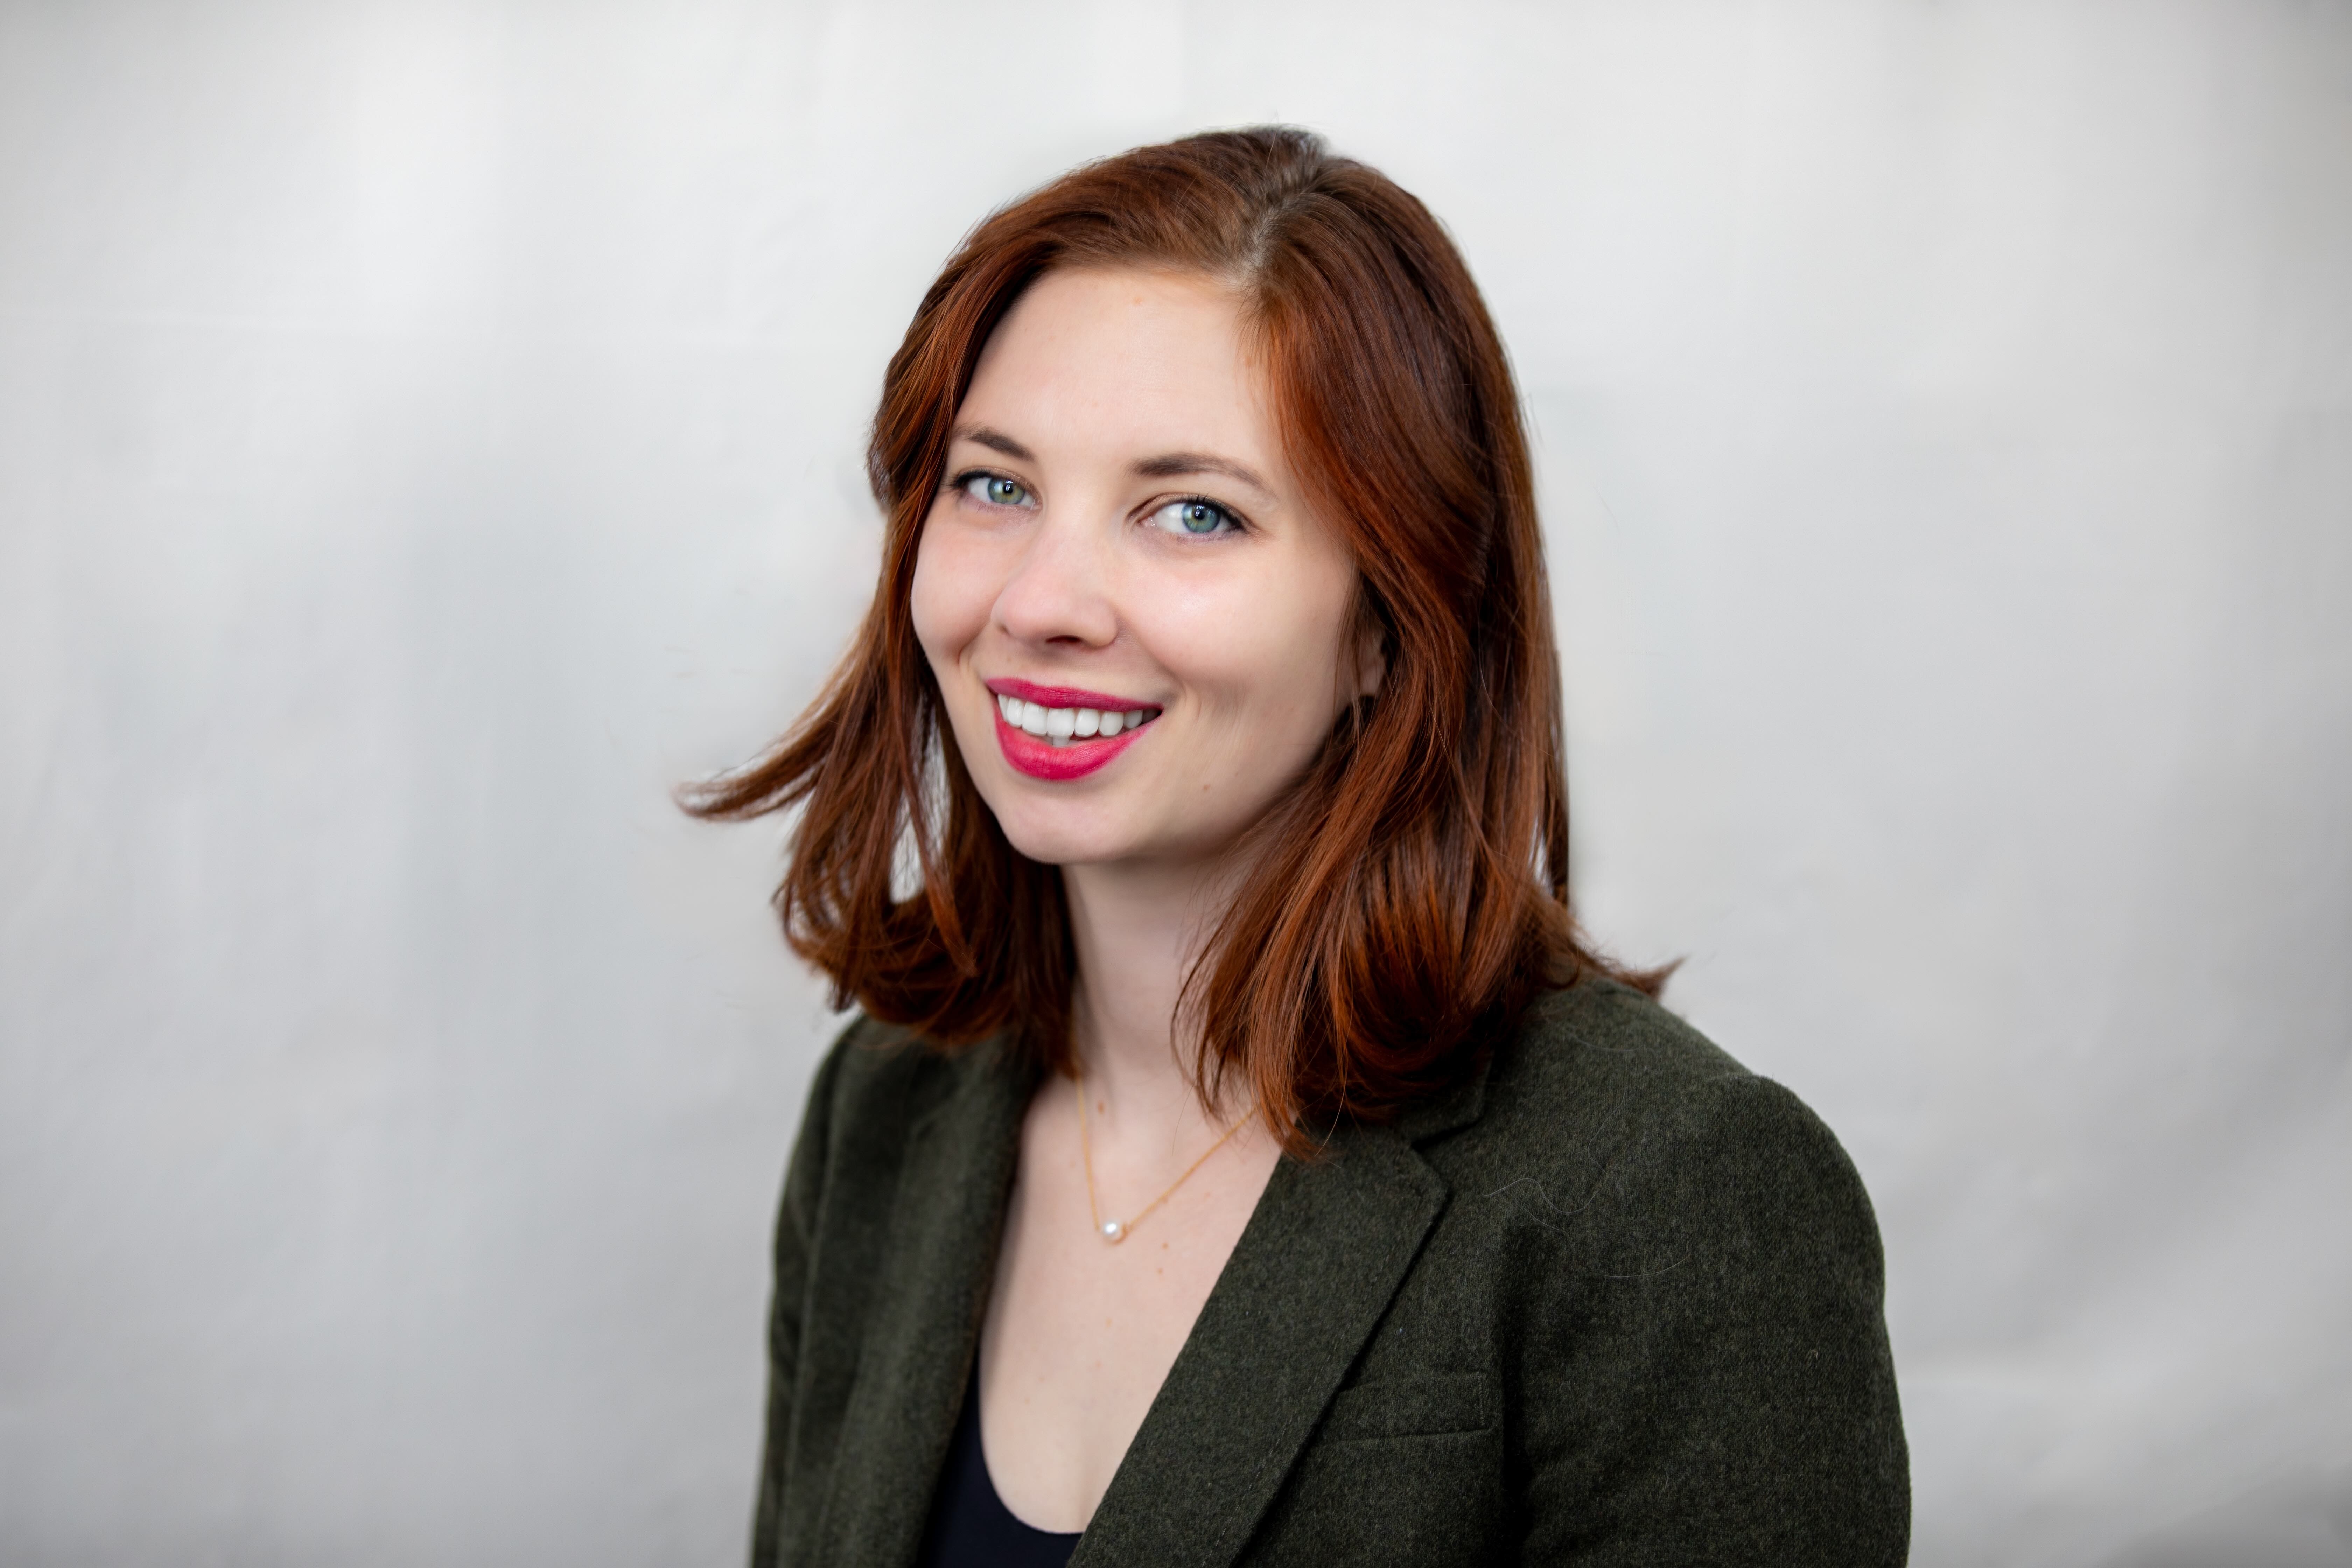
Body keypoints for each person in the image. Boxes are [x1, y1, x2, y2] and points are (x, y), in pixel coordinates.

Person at [687, 127, 1908, 1567]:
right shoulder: (888, 1110)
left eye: (1192, 511)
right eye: (996, 485)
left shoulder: (1670, 1194)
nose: (1042, 601)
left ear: (1392, 621)